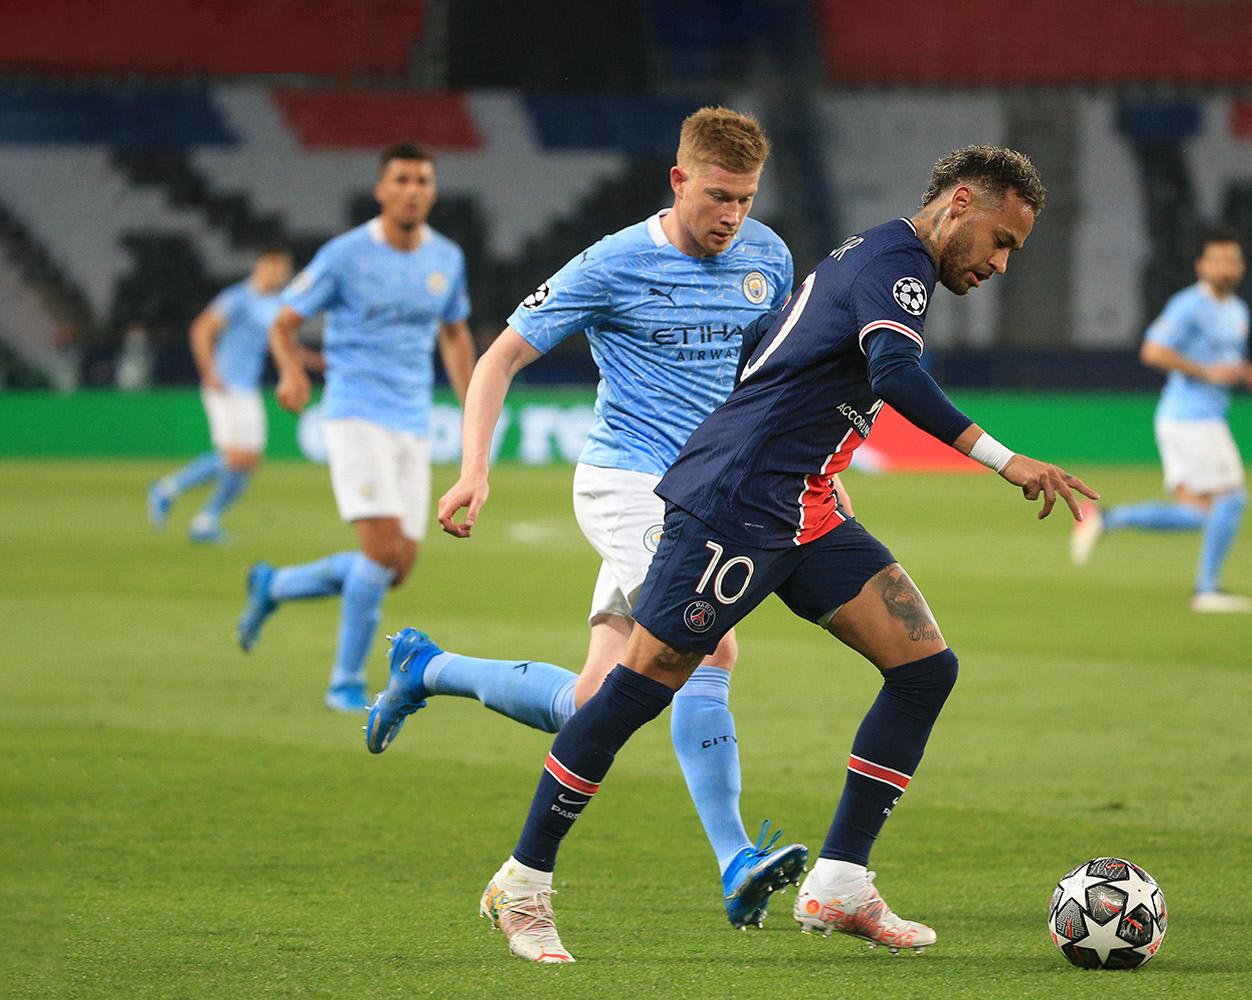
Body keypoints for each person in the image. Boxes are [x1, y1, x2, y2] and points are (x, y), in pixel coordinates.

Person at [464, 145, 1096, 963]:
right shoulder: (897, 264)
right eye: (1002, 240)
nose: (1003, 263)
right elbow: (895, 371)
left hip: (808, 508)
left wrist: (810, 439)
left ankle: (838, 885)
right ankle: (521, 884)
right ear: (960, 203)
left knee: (924, 668)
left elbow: (771, 339)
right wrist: (1008, 461)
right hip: (736, 508)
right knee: (635, 690)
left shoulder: (870, 257)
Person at [366, 107, 812, 931]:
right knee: (705, 634)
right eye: (718, 196)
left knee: (596, 701)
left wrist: (807, 464)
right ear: (679, 180)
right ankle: (736, 858)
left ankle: (428, 670)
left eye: (745, 200)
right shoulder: (612, 263)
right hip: (628, 481)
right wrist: (474, 470)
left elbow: (770, 374)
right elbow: (500, 357)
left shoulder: (768, 257)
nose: (732, 217)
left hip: (711, 489)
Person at [234, 142, 476, 712]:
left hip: (413, 422)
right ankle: (344, 681)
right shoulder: (344, 255)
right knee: (382, 547)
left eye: (423, 180)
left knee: (395, 568)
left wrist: (473, 407)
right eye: (402, 179)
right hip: (354, 413)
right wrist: (292, 371)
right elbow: (284, 323)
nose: (413, 189)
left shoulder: (446, 257)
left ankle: (275, 586)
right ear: (382, 190)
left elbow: (454, 333)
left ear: (432, 190)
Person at [1070, 225, 1252, 612]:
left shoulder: (1238, 311)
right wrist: (1205, 373)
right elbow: (1153, 351)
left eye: (1233, 259)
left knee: (1196, 514)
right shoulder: (1189, 305)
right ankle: (1206, 590)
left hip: (1204, 417)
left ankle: (1107, 519)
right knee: (1232, 497)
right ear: (1201, 266)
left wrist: (1247, 372)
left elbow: (1222, 362)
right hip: (1190, 417)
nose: (1226, 267)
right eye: (1218, 260)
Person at [148, 245, 293, 543]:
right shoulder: (238, 298)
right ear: (259, 267)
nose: (276, 274)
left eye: (282, 270)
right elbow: (201, 329)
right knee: (236, 456)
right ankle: (167, 489)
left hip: (247, 387)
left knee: (249, 460)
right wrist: (209, 371)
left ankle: (205, 522)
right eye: (271, 266)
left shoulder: (276, 304)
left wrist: (310, 361)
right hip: (225, 385)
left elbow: (282, 345)